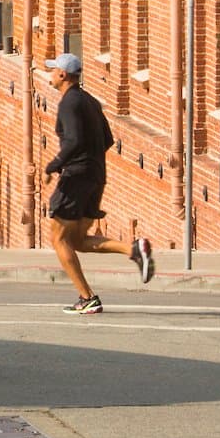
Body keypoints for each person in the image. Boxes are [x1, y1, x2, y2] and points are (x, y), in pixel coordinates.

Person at [42, 53, 126, 313]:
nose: (51, 73)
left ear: (63, 75)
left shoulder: (69, 102)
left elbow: (74, 140)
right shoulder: (90, 101)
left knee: (59, 239)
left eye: (53, 69)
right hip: (96, 176)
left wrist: (53, 166)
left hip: (76, 178)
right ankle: (133, 249)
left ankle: (87, 297)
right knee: (77, 241)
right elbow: (108, 140)